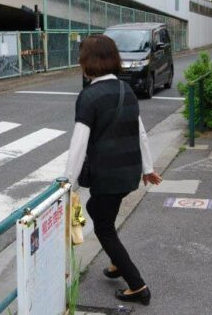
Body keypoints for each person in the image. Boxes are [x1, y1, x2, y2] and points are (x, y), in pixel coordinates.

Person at [65, 35, 162, 306]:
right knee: (98, 211)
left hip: (107, 176)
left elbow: (79, 143)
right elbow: (140, 132)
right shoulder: (126, 89)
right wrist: (147, 168)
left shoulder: (89, 96)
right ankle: (117, 263)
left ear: (89, 62)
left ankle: (137, 286)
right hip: (128, 173)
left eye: (81, 57)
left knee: (103, 227)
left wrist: (67, 183)